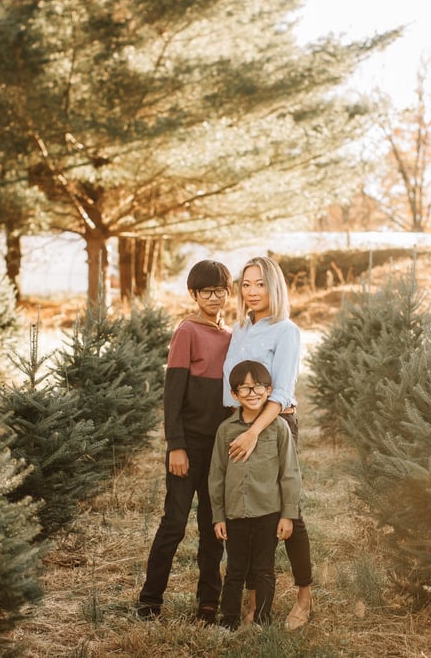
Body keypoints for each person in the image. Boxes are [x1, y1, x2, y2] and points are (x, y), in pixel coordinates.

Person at [136, 260, 233, 625]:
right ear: (193, 294)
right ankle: (149, 600)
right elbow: (172, 394)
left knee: (213, 526)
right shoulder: (187, 332)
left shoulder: (230, 336)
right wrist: (175, 444)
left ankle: (208, 602)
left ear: (228, 292)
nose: (214, 297)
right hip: (187, 446)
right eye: (206, 291)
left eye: (220, 290)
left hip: (218, 449)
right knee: (174, 523)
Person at [221, 255, 313, 630]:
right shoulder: (240, 330)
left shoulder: (285, 331)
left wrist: (254, 431)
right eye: (246, 284)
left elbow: (283, 391)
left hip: (272, 426)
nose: (252, 291)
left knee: (287, 511)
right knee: (250, 512)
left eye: (260, 283)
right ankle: (255, 599)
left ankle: (304, 595)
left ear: (274, 286)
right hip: (239, 424)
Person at [209, 360, 302, 629]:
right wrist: (218, 516)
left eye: (258, 386)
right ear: (234, 394)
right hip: (235, 512)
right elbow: (217, 476)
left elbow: (290, 473)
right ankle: (228, 621)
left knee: (263, 569)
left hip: (268, 513)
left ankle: (261, 618)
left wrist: (288, 515)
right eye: (245, 388)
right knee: (236, 570)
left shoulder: (278, 428)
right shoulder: (226, 430)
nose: (252, 393)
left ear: (269, 390)